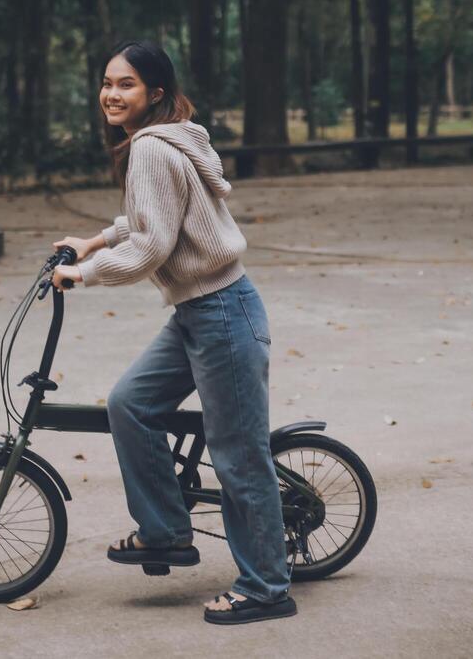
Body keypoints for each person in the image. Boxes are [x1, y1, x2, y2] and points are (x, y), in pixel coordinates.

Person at [51, 38, 296, 626]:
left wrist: (82, 273)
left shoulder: (153, 151)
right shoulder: (157, 143)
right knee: (130, 403)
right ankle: (164, 532)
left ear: (154, 93)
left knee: (237, 456)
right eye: (108, 82)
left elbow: (152, 244)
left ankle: (267, 587)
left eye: (126, 84)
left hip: (223, 312)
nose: (111, 93)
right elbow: (145, 217)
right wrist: (94, 239)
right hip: (198, 312)